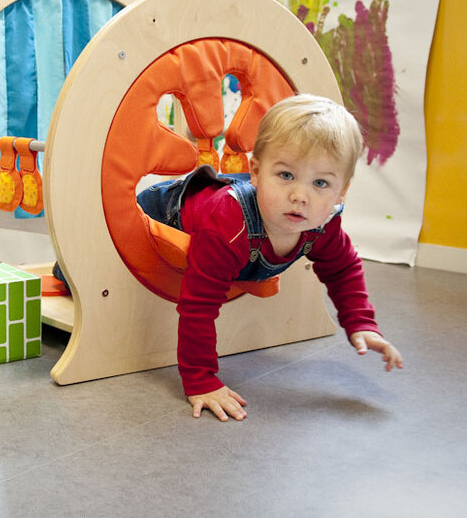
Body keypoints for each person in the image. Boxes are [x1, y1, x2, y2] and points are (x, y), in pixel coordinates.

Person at [137, 93, 403, 422]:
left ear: (342, 192)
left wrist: (362, 322)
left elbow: (343, 269)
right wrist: (201, 380)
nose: (299, 196)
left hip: (230, 234)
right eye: (286, 176)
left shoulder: (322, 225)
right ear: (257, 172)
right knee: (111, 257)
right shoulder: (228, 226)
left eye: (320, 183)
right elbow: (198, 306)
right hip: (165, 211)